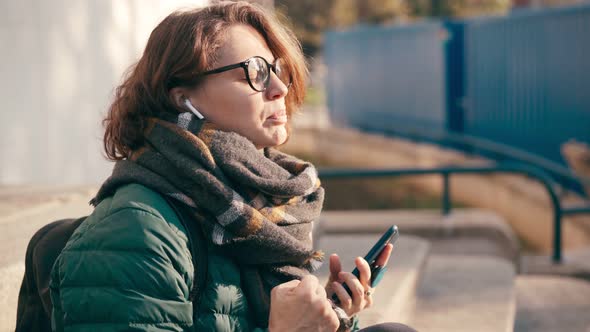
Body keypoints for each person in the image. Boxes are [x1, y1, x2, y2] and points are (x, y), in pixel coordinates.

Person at [49, 2, 417, 331]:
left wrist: (332, 315)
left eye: (278, 69)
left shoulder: (256, 201)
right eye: (254, 72)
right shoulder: (136, 230)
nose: (279, 88)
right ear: (184, 98)